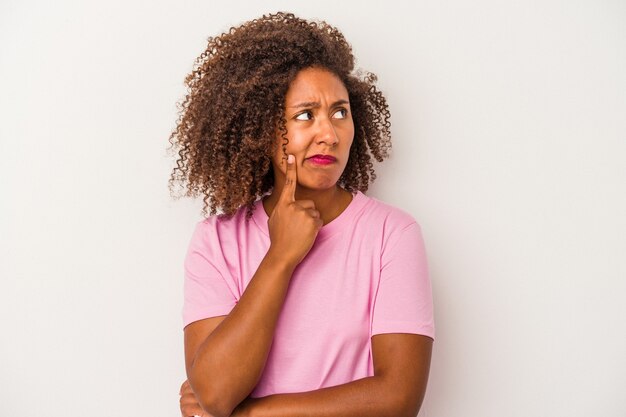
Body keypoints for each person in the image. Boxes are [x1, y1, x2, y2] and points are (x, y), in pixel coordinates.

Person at [168, 12, 435, 417]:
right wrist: (281, 256)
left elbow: (398, 398)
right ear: (260, 127)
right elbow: (216, 391)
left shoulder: (391, 235)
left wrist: (249, 414)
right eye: (306, 115)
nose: (329, 133)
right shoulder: (217, 241)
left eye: (340, 112)